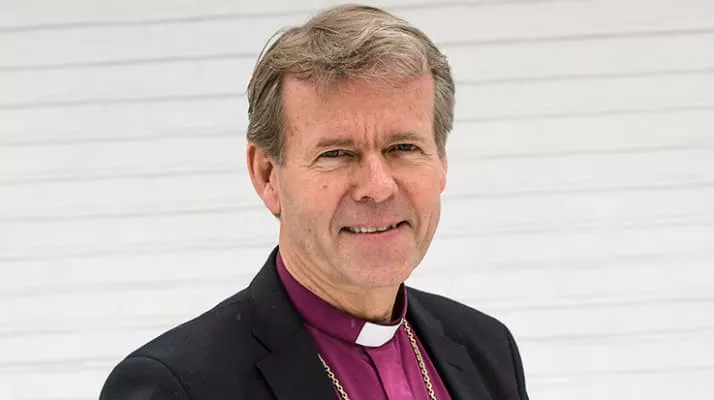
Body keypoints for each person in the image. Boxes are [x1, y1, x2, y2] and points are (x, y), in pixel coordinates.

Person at [100, 4, 529, 400]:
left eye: (403, 147)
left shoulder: (488, 350)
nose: (378, 187)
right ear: (267, 175)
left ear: (441, 162)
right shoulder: (176, 387)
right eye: (336, 153)